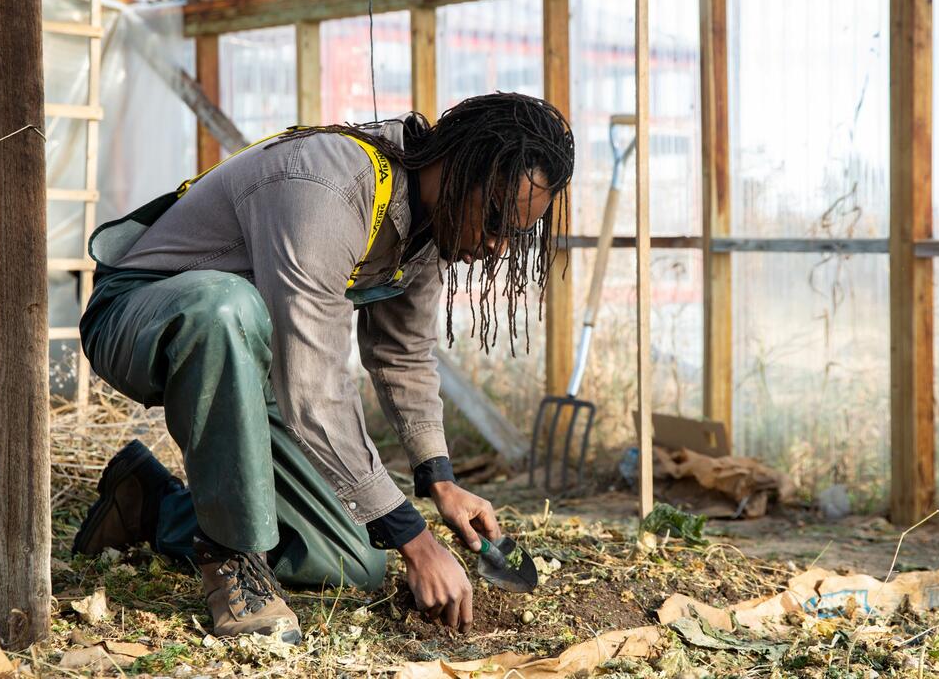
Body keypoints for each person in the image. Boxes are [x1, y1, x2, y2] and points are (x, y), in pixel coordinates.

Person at [71, 93, 575, 643]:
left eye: (517, 234)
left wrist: (440, 481)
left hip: (256, 365)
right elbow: (313, 385)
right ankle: (232, 559)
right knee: (224, 307)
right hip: (142, 314)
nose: (499, 245)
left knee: (353, 562)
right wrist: (418, 541)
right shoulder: (328, 187)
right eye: (498, 219)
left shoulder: (430, 228)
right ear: (460, 168)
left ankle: (150, 504)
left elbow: (402, 353)